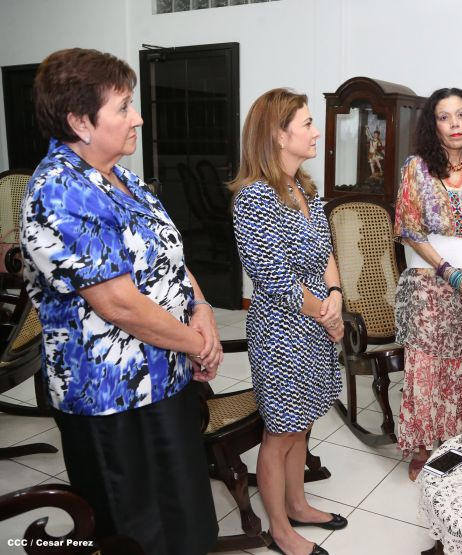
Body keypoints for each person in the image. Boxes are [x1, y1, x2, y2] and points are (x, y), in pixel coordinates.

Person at [19, 48, 222, 554]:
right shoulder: (59, 190)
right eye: (124, 107)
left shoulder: (125, 179)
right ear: (80, 122)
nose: (139, 117)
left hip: (166, 376)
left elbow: (171, 257)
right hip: (111, 398)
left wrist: (202, 310)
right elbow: (119, 305)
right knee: (138, 531)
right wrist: (198, 343)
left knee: (187, 516)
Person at [229, 88, 345, 555]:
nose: (317, 132)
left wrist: (335, 296)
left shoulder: (306, 189)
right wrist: (328, 316)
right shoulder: (255, 198)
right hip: (281, 331)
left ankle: (297, 503)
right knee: (279, 432)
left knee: (302, 423)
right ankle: (279, 530)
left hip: (315, 323)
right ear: (279, 135)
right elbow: (275, 278)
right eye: (307, 123)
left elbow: (327, 253)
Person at [394, 87, 462, 481]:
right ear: (433, 124)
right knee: (427, 369)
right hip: (429, 283)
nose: (455, 123)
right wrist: (451, 274)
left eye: (461, 115)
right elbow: (408, 229)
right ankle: (424, 448)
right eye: (445, 116)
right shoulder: (416, 168)